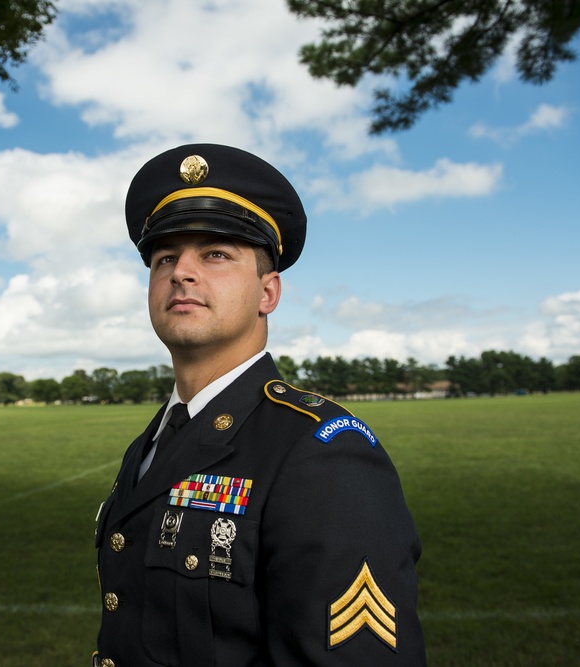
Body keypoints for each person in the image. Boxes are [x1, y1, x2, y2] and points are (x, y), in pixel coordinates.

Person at [92, 144, 425, 666]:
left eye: (215, 254)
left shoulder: (323, 453)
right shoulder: (153, 441)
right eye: (164, 258)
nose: (182, 272)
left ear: (268, 292)